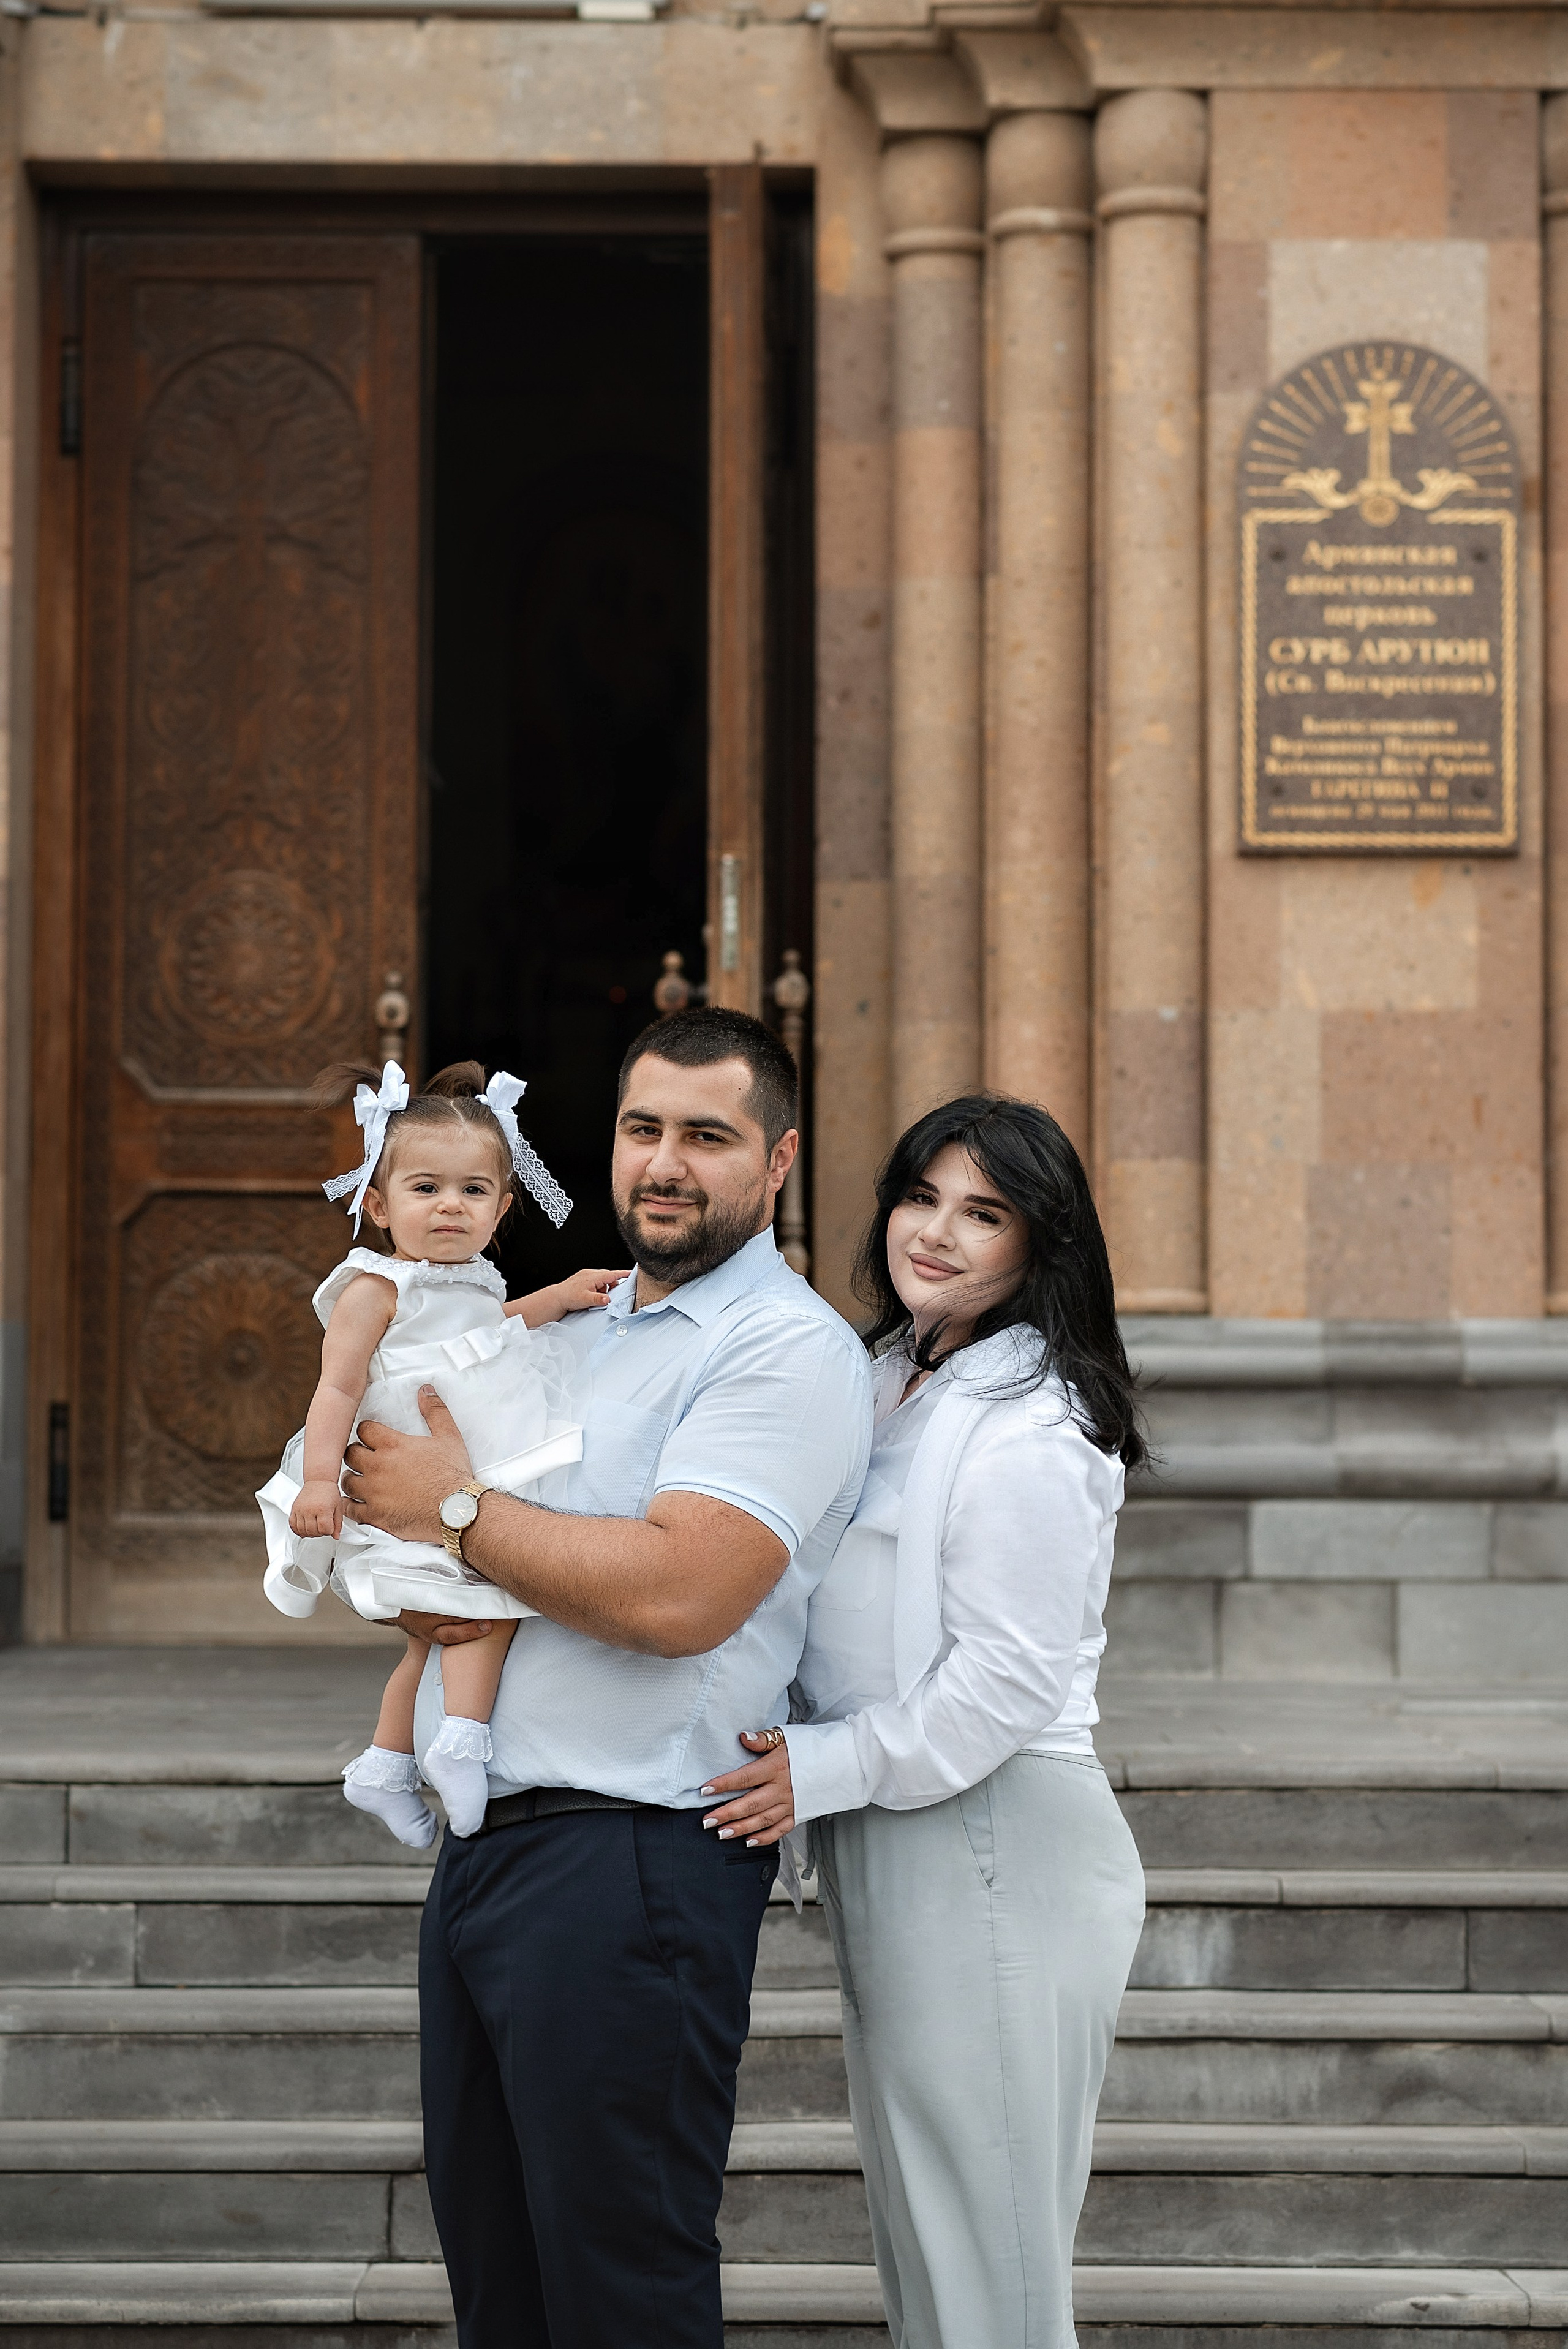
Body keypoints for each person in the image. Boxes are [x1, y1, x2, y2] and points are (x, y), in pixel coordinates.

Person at [339, 1006, 872, 2349]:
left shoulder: (783, 1348)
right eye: (644, 1129)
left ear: (779, 1160)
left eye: (708, 1135)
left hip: (632, 1863)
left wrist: (451, 1512)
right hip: (491, 1848)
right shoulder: (574, 1329)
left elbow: (682, 1591)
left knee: (615, 2296)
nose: (665, 1163)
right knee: (503, 2288)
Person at [701, 1093, 1148, 2349]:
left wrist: (818, 1765)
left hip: (997, 1837)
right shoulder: (879, 1375)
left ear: (1037, 1244)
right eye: (920, 1196)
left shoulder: (1036, 1423)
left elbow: (1006, 1678)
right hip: (893, 1830)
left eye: (982, 1213)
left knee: (989, 2269)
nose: (936, 1233)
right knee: (927, 2248)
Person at [257, 1058, 624, 1846]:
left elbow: (488, 1340)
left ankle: (385, 1765)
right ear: (380, 1204)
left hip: (465, 1473)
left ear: (503, 1205)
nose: (450, 1206)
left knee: (440, 1629)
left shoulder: (479, 1281)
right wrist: (319, 1480)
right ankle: (463, 1744)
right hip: (396, 1480)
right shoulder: (374, 1289)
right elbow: (335, 1391)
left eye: (473, 1190)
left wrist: (557, 1299)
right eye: (426, 1189)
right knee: (483, 1610)